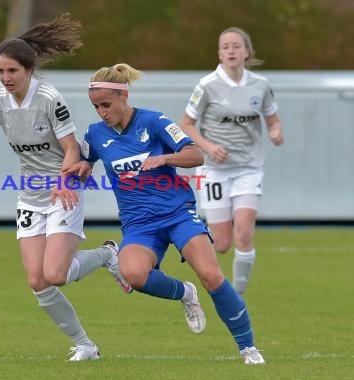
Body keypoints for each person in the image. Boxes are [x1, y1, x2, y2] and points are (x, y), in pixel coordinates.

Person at [0, 14, 131, 362]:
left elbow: (72, 149)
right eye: (0, 71)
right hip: (30, 197)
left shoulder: (48, 98)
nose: (5, 78)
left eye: (11, 71)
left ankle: (108, 255)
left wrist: (63, 181)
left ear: (28, 70)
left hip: (65, 188)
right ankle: (85, 345)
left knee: (55, 275)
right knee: (37, 281)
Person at [66, 63, 265, 364]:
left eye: (106, 104)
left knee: (211, 275)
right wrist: (76, 173)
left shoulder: (154, 121)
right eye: (96, 106)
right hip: (139, 224)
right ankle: (185, 293)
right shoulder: (95, 135)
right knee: (133, 274)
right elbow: (84, 165)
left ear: (124, 96)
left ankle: (248, 348)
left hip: (177, 213)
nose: (101, 112)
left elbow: (196, 154)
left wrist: (164, 159)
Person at [179, 27, 284, 295]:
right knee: (222, 243)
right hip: (215, 171)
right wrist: (209, 147)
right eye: (225, 47)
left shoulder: (260, 85)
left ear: (246, 52)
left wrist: (275, 131)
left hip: (249, 168)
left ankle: (238, 294)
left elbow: (272, 118)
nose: (231, 51)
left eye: (236, 46)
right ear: (219, 54)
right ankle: (189, 246)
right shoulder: (207, 85)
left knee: (245, 233)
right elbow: (187, 124)